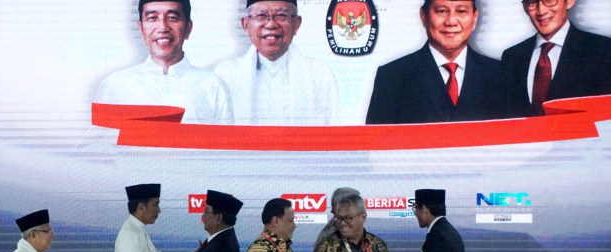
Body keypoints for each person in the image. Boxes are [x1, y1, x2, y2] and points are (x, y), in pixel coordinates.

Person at [366, 0, 505, 124]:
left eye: (461, 11)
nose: (451, 21)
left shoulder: (501, 75)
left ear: (474, 18)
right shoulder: (392, 77)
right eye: (442, 11)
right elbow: (376, 146)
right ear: (423, 16)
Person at [95, 0, 233, 124]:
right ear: (141, 29)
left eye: (172, 18)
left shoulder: (213, 86)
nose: (162, 27)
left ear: (188, 28)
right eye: (152, 18)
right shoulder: (115, 86)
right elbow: (101, 148)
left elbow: (226, 149)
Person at [214, 0, 340, 126]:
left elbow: (332, 137)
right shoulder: (225, 76)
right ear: (246, 25)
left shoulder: (320, 76)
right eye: (261, 16)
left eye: (281, 16)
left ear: (296, 24)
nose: (270, 24)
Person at [501, 0, 611, 117]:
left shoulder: (602, 51)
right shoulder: (512, 57)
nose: (541, 11)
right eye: (532, 2)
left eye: (549, 0)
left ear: (569, 2)